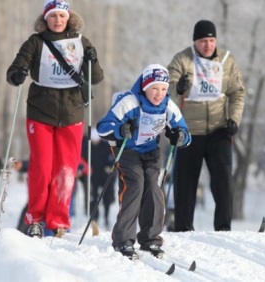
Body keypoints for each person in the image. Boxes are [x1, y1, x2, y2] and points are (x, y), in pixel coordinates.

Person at [6, 0, 104, 238]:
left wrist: (92, 59)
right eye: (53, 16)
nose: (58, 20)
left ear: (68, 17)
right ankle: (36, 219)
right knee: (42, 167)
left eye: (61, 16)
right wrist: (18, 74)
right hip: (40, 113)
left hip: (72, 114)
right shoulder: (36, 42)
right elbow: (14, 72)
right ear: (46, 18)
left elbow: (97, 78)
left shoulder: (81, 42)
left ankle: (58, 222)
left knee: (66, 170)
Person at [97, 64, 191, 260]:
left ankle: (150, 240)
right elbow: (103, 127)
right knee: (136, 185)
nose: (159, 94)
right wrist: (120, 130)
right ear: (145, 86)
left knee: (154, 188)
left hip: (151, 151)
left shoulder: (168, 106)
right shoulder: (130, 102)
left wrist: (179, 136)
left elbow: (185, 133)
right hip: (127, 151)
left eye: (163, 89)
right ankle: (123, 240)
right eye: (154, 88)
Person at [167, 19, 246, 232]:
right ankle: (183, 228)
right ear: (195, 42)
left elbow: (237, 93)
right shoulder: (183, 59)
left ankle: (223, 227)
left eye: (211, 40)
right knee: (185, 183)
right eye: (203, 41)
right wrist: (178, 87)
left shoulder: (227, 60)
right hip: (190, 131)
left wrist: (234, 119)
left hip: (219, 130)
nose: (208, 45)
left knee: (223, 184)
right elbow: (164, 88)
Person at [88, 128, 116, 229]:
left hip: (105, 174)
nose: (95, 142)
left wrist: (110, 166)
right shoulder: (88, 146)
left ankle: (106, 216)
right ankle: (95, 217)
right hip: (93, 175)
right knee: (94, 197)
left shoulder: (105, 146)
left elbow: (112, 157)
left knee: (106, 197)